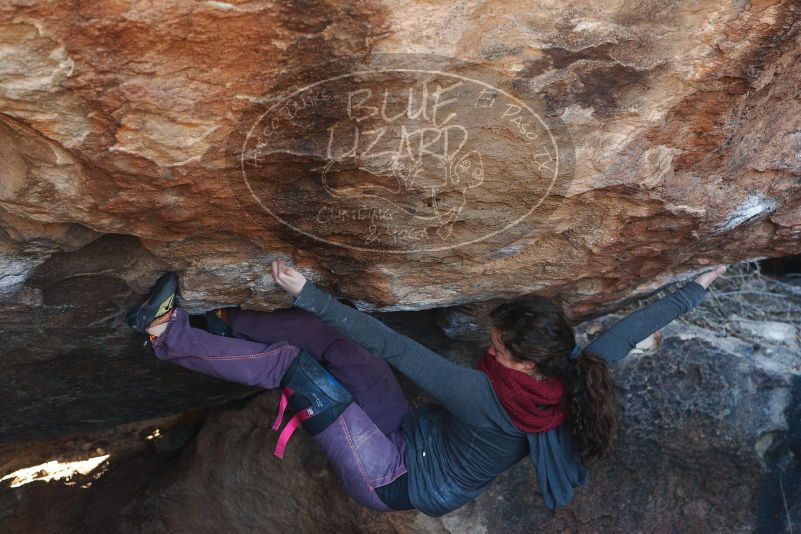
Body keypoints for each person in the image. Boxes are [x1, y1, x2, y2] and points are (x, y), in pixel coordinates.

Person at [126, 261, 726, 516]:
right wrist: (695, 288)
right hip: (413, 436)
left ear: (521, 365)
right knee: (341, 347)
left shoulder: (482, 397)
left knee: (295, 368)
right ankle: (220, 323)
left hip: (392, 477)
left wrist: (309, 292)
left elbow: (397, 347)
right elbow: (627, 331)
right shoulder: (572, 366)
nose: (486, 353)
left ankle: (164, 331)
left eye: (495, 349)